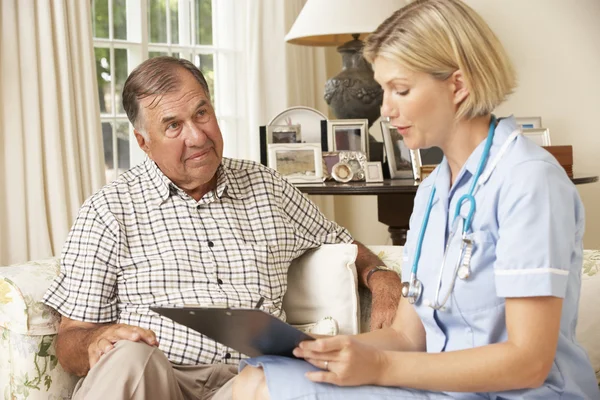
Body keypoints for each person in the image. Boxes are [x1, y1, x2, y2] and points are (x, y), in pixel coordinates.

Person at [232, 1, 600, 399]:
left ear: (458, 85)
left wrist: (379, 365)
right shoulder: (433, 190)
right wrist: (327, 352)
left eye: (400, 90)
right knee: (261, 371)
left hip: (523, 394)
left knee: (263, 388)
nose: (386, 110)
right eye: (383, 90)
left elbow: (527, 361)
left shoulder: (529, 181)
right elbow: (408, 337)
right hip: (444, 391)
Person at [42, 56, 402, 400]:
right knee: (129, 357)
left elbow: (342, 244)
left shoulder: (266, 186)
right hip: (152, 380)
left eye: (202, 113)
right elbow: (70, 340)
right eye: (173, 126)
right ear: (143, 142)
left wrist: (380, 277)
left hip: (247, 381)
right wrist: (96, 340)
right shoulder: (109, 210)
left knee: (277, 380)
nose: (197, 137)